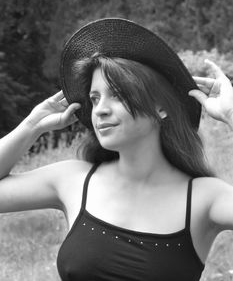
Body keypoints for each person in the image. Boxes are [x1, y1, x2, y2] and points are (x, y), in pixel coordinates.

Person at [0, 18, 233, 281]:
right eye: (94, 98)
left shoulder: (205, 198)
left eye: (118, 95)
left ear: (161, 107)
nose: (100, 109)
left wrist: (231, 114)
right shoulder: (73, 180)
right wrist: (32, 125)